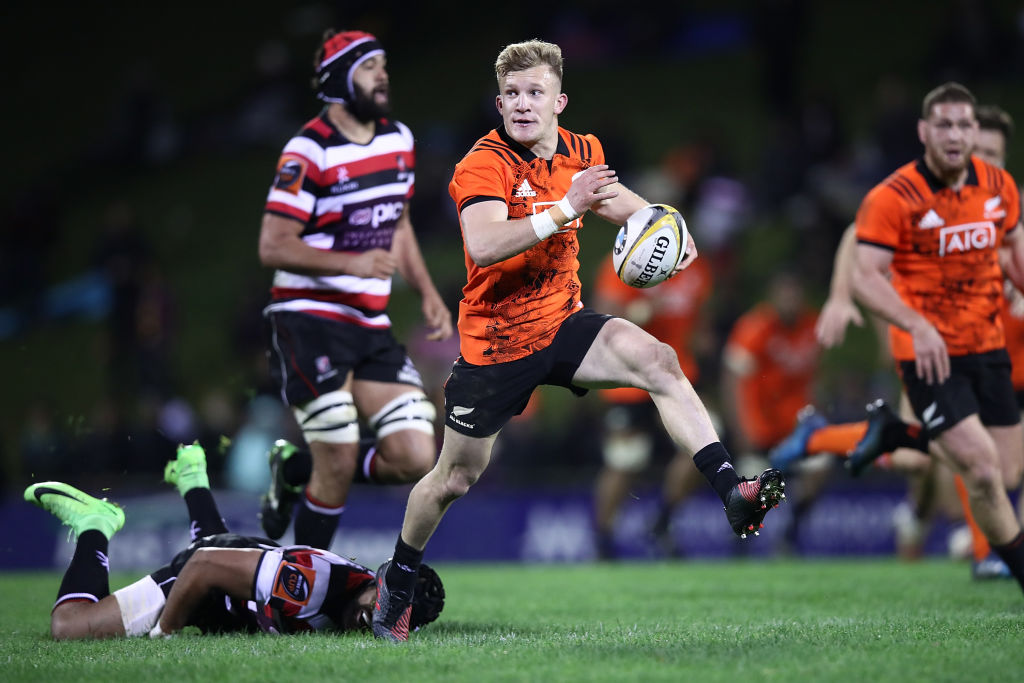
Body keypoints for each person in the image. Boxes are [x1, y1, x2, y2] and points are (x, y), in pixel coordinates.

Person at [369, 39, 785, 643]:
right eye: (511, 94)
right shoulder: (481, 165)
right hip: (497, 344)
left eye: (534, 92)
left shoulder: (582, 151)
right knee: (454, 479)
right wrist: (566, 208)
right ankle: (398, 582)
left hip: (564, 324)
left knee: (660, 361)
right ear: (499, 102)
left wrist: (665, 225)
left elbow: (618, 202)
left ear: (559, 100)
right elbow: (484, 244)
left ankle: (733, 493)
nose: (521, 103)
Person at [770, 103, 1022, 577]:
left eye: (993, 152)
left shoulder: (1004, 202)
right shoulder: (918, 195)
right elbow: (856, 234)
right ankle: (986, 554)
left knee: (933, 458)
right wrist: (842, 296)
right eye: (977, 149)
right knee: (963, 457)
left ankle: (837, 438)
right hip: (934, 351)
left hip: (996, 355)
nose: (981, 159)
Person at [257, 29, 454, 550]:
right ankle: (302, 594)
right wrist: (352, 261)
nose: (383, 75)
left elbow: (400, 221)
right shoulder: (308, 149)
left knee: (415, 456)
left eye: (384, 64)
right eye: (369, 67)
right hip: (309, 317)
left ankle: (296, 466)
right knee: (340, 457)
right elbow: (274, 245)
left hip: (368, 323)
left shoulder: (399, 140)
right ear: (339, 79)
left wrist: (427, 292)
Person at [848, 82, 1024, 596]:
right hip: (928, 354)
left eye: (964, 124)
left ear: (975, 131)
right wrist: (916, 325)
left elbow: (1015, 253)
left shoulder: (998, 185)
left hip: (988, 346)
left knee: (1009, 471)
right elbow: (866, 276)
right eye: (943, 124)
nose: (955, 134)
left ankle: (899, 434)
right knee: (984, 472)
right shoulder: (893, 197)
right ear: (924, 131)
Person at [23, 443, 444, 639]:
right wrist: (166, 630)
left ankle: (192, 478)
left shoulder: (360, 592)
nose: (379, 615)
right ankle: (95, 525)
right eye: (387, 603)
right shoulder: (309, 584)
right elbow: (205, 566)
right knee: (70, 628)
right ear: (379, 583)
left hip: (236, 566)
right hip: (202, 581)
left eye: (400, 615)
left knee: (219, 547)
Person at [589, 250, 714, 559]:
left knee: (705, 446)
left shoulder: (697, 269)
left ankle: (663, 520)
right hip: (627, 377)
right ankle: (602, 541)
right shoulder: (626, 258)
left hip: (675, 372)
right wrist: (638, 310)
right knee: (626, 459)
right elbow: (601, 312)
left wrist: (701, 339)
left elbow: (700, 319)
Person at [720, 270, 822, 552]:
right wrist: (741, 428)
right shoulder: (754, 327)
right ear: (772, 296)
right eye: (784, 293)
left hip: (794, 426)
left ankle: (790, 534)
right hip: (760, 425)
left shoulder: (812, 325)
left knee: (820, 469)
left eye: (795, 292)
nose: (790, 299)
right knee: (752, 489)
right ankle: (738, 545)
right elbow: (732, 379)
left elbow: (815, 375)